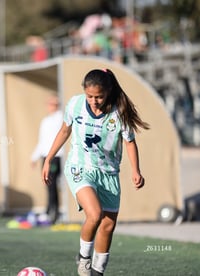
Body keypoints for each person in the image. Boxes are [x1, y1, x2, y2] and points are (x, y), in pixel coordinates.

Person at [41, 69, 149, 276]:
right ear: (84, 92)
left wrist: (136, 170)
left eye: (98, 96)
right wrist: (48, 158)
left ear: (108, 92)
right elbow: (65, 131)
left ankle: (98, 272)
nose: (94, 101)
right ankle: (83, 259)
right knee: (95, 214)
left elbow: (130, 142)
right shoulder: (75, 104)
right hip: (80, 167)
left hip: (108, 173)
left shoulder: (119, 112)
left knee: (108, 226)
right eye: (90, 96)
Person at [31, 95, 64, 224]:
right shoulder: (45, 121)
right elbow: (42, 141)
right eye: (49, 103)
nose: (50, 106)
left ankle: (53, 212)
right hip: (45, 157)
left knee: (53, 183)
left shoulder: (62, 117)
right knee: (48, 184)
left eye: (53, 103)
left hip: (57, 157)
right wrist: (34, 157)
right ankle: (49, 210)